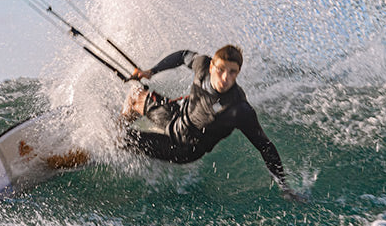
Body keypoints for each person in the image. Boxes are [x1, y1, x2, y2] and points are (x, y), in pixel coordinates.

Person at [121, 45, 302, 200]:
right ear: (211, 67)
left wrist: (284, 187)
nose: (225, 78)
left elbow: (265, 146)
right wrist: (151, 71)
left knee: (119, 139)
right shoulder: (202, 66)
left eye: (233, 72)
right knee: (135, 94)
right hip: (177, 117)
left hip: (183, 147)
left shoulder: (238, 109)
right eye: (221, 69)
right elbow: (183, 55)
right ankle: (117, 125)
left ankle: (103, 144)